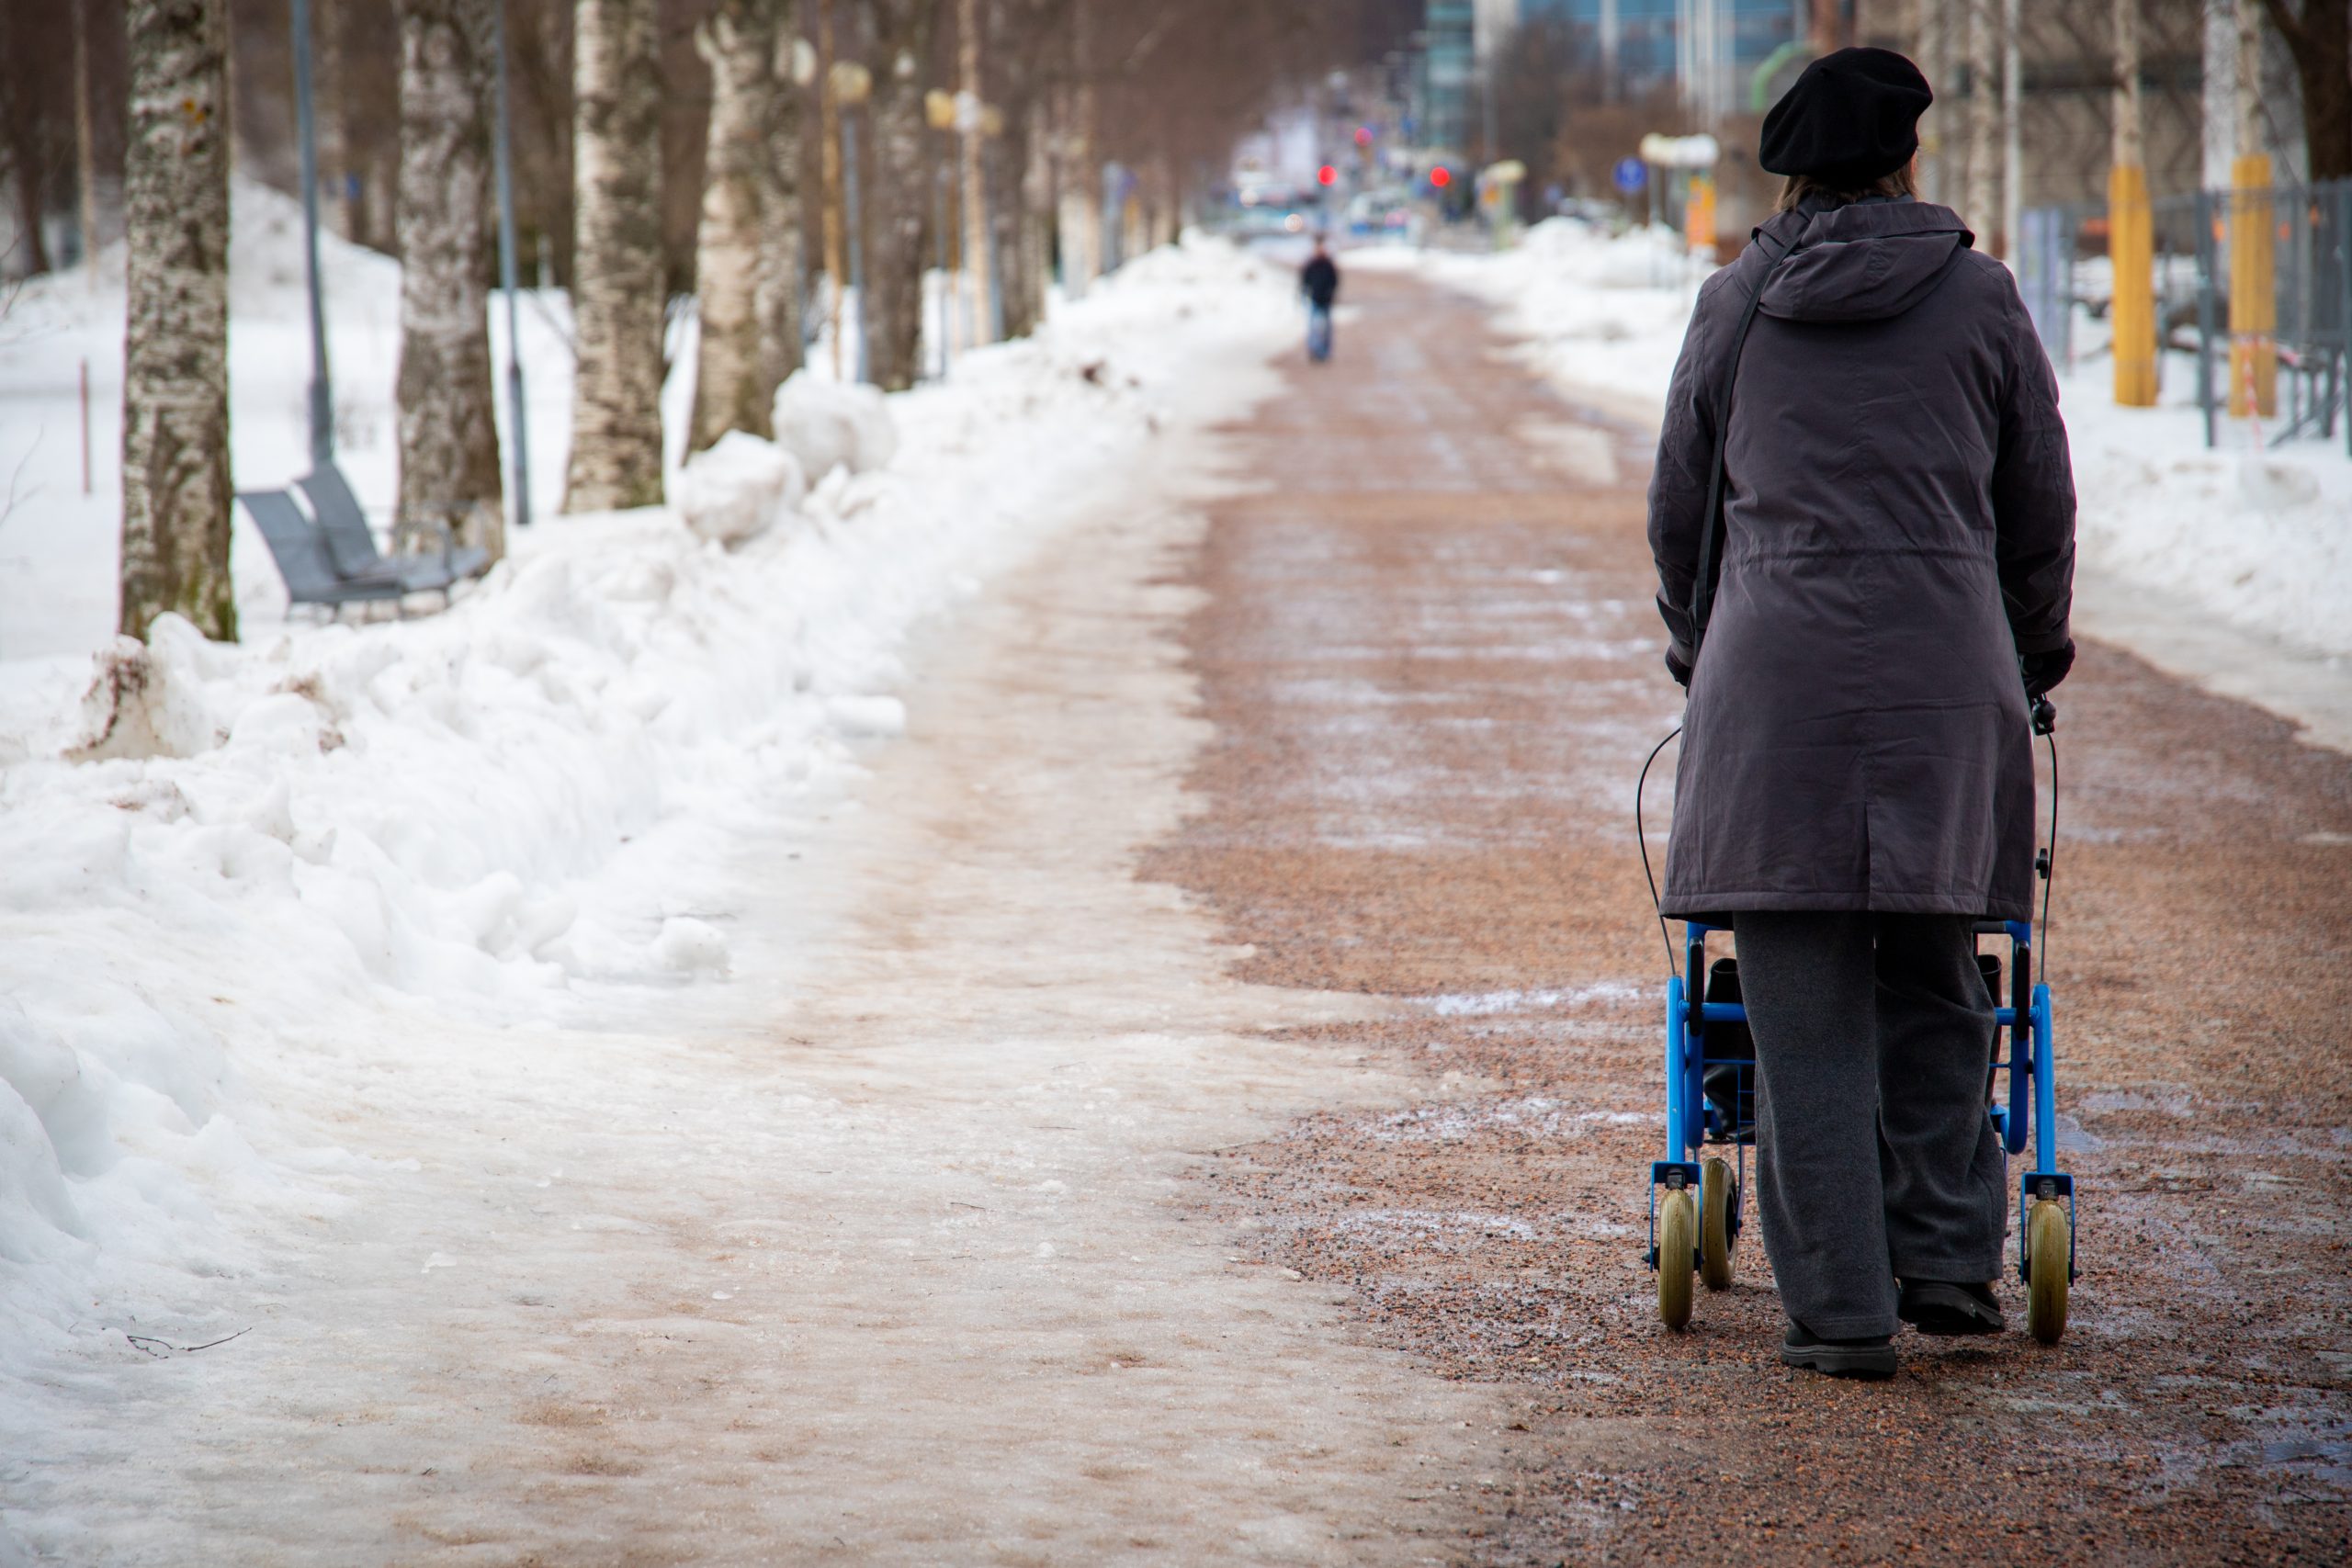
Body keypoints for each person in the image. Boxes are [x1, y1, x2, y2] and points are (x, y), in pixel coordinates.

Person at [1645, 47, 2076, 1380]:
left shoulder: (1735, 306)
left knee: (1800, 1012)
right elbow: (2037, 507)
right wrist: (2030, 657)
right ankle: (1947, 1256)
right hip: (1948, 686)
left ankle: (1838, 1311)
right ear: (1907, 161)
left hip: (1771, 691)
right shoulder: (1985, 301)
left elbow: (1681, 507)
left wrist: (1698, 648)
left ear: (1789, 170)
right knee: (1944, 977)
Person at [1300, 238, 1340, 362]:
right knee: (1314, 327)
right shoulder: (1311, 264)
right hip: (1315, 299)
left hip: (1326, 300)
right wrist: (1305, 292)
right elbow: (1305, 280)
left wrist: (1331, 293)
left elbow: (1334, 281)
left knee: (1326, 327)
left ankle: (1325, 351)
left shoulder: (1328, 265)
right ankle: (1313, 349)